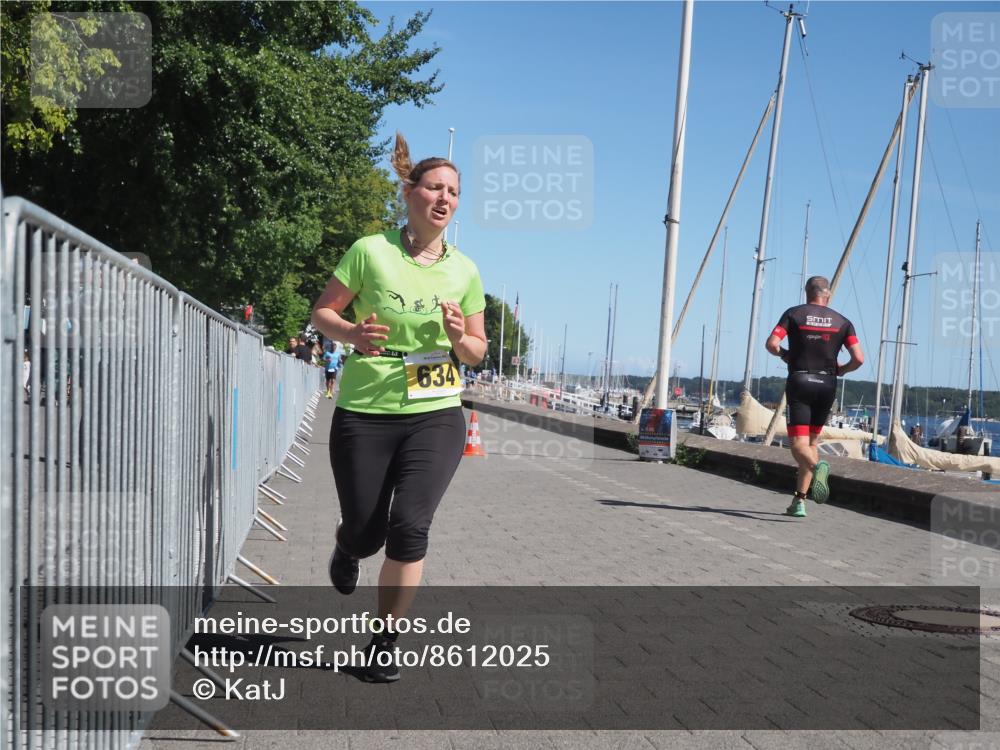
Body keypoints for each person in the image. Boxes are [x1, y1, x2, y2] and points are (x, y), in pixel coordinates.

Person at [311, 132, 486, 682]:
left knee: (410, 527)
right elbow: (323, 314)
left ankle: (384, 640)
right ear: (409, 193)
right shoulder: (370, 251)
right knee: (367, 531)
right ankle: (347, 546)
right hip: (366, 406)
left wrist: (460, 337)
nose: (444, 198)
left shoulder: (466, 271)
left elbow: (477, 353)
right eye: (434, 187)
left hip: (436, 410)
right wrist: (353, 334)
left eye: (454, 192)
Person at [765, 276, 864, 517]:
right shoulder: (843, 322)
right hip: (827, 384)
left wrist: (786, 355)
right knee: (811, 444)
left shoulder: (794, 314)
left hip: (800, 380)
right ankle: (799, 501)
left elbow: (772, 344)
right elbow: (859, 359)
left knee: (799, 445)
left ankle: (817, 466)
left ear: (807, 293)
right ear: (828, 295)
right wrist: (842, 370)